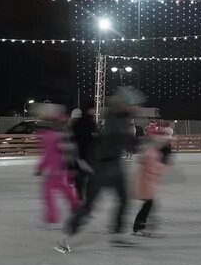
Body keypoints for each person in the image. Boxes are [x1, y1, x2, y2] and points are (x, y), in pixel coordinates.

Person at [59, 88, 142, 252]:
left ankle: (117, 235)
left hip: (111, 166)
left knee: (123, 200)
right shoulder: (116, 119)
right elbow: (122, 140)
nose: (136, 108)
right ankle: (66, 236)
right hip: (103, 167)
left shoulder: (120, 117)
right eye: (134, 104)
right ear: (125, 104)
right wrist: (135, 144)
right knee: (91, 204)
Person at [35, 105, 79, 226]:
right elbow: (72, 150)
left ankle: (52, 217)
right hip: (65, 168)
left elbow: (48, 155)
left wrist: (40, 168)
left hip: (56, 169)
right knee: (67, 189)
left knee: (48, 194)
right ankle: (76, 207)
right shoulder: (64, 133)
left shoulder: (49, 136)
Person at [133, 124, 172, 235]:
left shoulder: (151, 151)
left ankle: (139, 226)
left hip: (147, 181)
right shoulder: (151, 152)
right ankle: (140, 227)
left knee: (148, 204)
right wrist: (161, 168)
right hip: (147, 181)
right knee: (149, 204)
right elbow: (153, 166)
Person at [70, 107, 96, 199]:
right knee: (84, 176)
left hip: (78, 155)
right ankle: (83, 195)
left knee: (80, 177)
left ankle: (80, 195)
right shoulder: (88, 124)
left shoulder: (73, 126)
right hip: (84, 155)